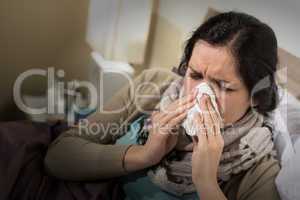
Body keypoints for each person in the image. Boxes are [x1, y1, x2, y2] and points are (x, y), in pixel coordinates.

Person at [45, 12, 281, 200]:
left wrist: (207, 183)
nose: (201, 95)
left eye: (223, 86)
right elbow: (58, 156)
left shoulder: (257, 167)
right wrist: (144, 155)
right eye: (195, 74)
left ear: (256, 96)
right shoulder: (153, 84)